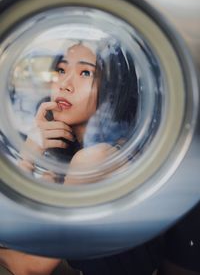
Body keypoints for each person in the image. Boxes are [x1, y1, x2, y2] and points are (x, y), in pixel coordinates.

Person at [0, 39, 138, 274]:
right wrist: (31, 151)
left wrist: (28, 157)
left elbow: (32, 267)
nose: (65, 84)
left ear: (113, 88)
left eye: (85, 72)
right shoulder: (77, 153)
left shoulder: (95, 159)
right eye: (61, 70)